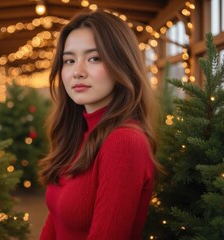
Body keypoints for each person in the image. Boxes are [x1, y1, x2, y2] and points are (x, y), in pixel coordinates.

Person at [39, 9, 162, 240]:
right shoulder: (77, 134)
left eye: (94, 58)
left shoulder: (124, 142)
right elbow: (54, 221)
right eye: (69, 60)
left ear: (121, 65)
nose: (78, 72)